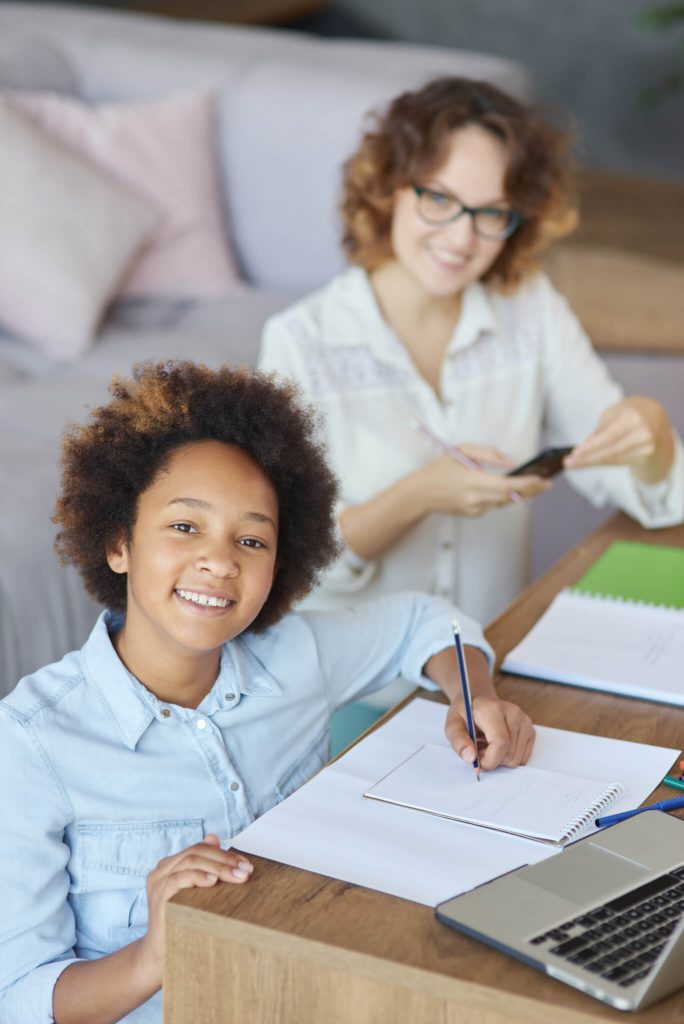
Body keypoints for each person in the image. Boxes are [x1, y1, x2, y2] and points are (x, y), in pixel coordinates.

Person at [0, 360, 534, 1024]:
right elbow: (18, 998)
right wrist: (151, 959)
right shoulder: (30, 744)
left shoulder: (296, 656)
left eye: (250, 539)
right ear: (118, 542)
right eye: (185, 526)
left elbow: (425, 622)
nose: (220, 561)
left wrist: (470, 694)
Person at [259, 77, 684, 627]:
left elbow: (645, 487)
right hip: (351, 685)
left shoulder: (530, 310)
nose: (462, 240)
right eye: (439, 199)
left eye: (490, 214)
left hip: (489, 664)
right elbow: (284, 560)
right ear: (389, 186)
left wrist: (650, 435)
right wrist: (418, 496)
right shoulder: (300, 340)